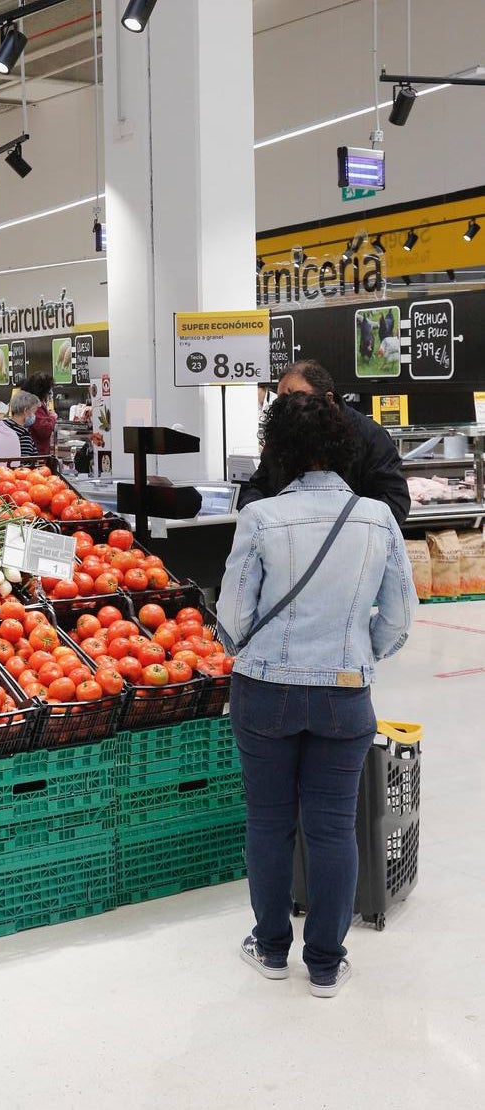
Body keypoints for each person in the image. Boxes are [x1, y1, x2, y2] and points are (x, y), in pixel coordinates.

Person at [216, 392, 416, 999]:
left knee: (269, 823)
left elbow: (231, 614)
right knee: (332, 830)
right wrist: (356, 654)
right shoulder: (378, 518)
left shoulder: (261, 518)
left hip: (265, 694)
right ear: (343, 444)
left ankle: (272, 949)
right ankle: (326, 964)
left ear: (277, 450)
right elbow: (399, 619)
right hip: (345, 694)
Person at [239, 359, 410, 527]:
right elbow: (257, 487)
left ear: (328, 399)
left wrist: (351, 527)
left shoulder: (370, 436)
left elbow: (395, 501)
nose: (287, 408)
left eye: (295, 398)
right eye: (281, 401)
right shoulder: (281, 436)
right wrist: (259, 517)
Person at [19, 372, 57, 456]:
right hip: (38, 453)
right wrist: (52, 418)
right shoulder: (35, 405)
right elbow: (44, 430)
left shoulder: (30, 401)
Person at [6, 390, 39, 458]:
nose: (34, 416)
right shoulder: (24, 435)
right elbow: (24, 464)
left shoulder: (4, 425)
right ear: (26, 411)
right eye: (34, 412)